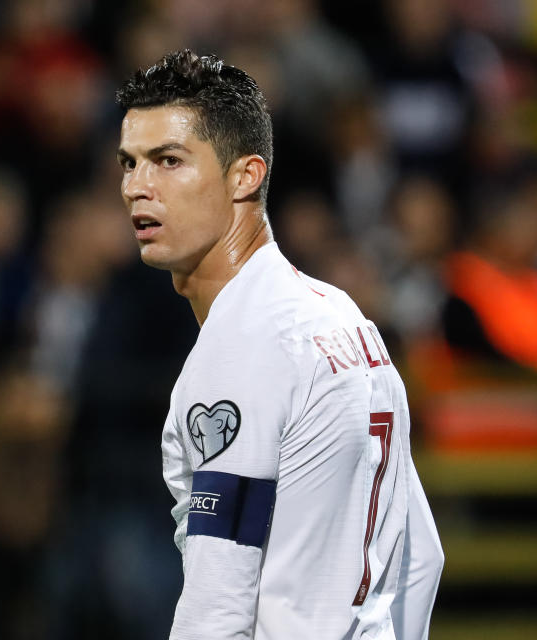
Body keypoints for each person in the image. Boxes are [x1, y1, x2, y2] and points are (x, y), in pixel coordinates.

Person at [114, 50, 443, 639]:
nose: (138, 187)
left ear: (246, 175)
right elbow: (420, 559)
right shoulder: (347, 322)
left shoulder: (242, 350)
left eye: (168, 161)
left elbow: (217, 609)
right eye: (129, 162)